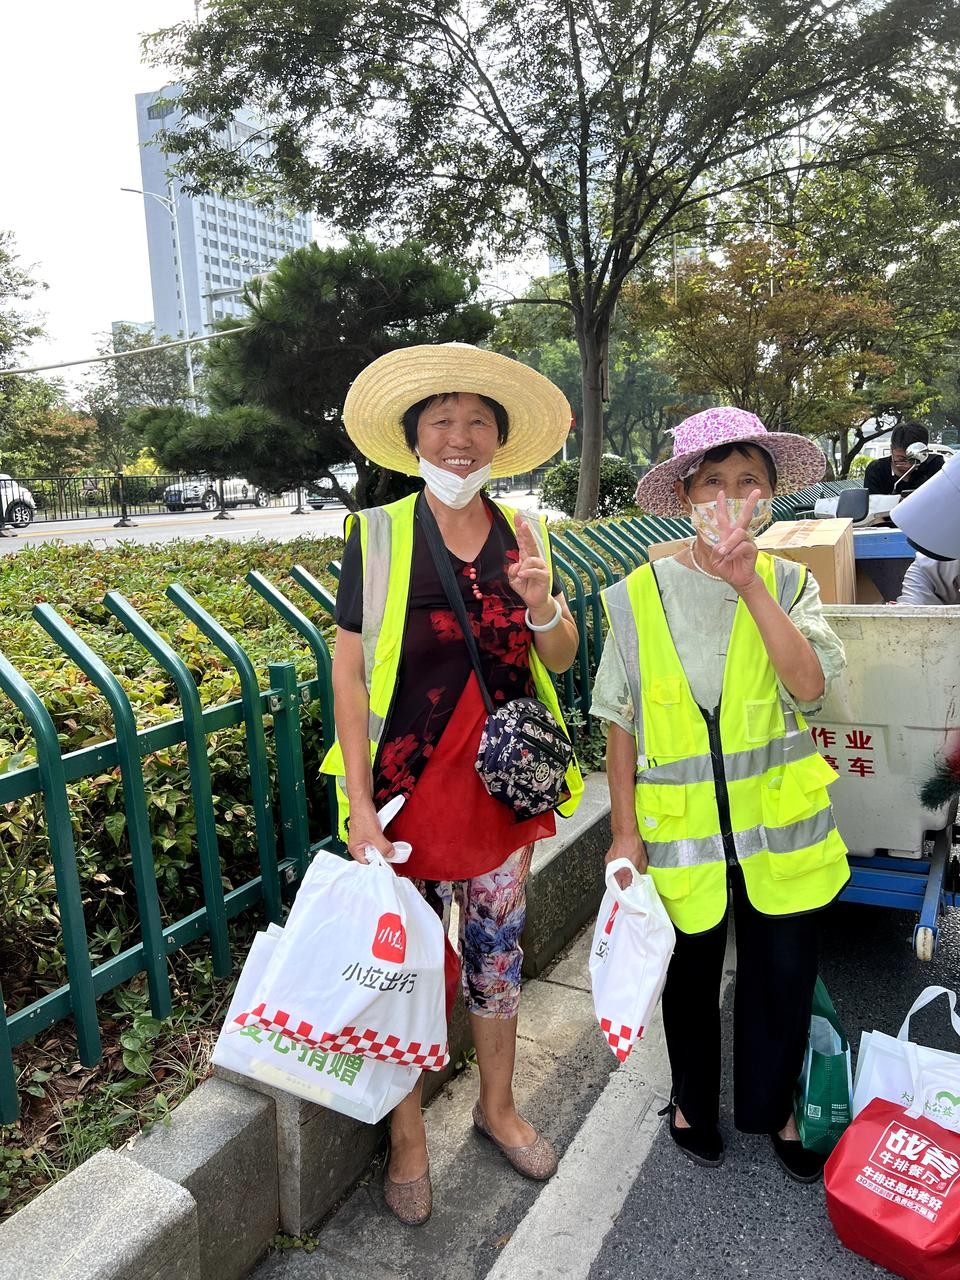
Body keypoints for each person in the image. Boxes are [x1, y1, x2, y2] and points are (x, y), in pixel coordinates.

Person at [321, 343, 583, 1225]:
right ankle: (406, 1139)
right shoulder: (380, 531)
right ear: (414, 437)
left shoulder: (526, 533)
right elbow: (349, 672)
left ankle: (496, 1108)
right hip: (404, 794)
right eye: (443, 420)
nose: (461, 437)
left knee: (497, 960)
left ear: (501, 440)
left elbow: (559, 654)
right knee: (400, 970)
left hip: (502, 792)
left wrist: (543, 603)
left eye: (478, 421)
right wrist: (358, 803)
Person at [591, 407, 849, 1183]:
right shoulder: (636, 596)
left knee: (783, 975)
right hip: (683, 830)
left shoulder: (791, 581)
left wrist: (753, 590)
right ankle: (691, 1102)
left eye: (749, 483)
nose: (731, 499)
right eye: (714, 483)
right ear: (688, 496)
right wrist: (624, 831)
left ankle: (775, 1106)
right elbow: (619, 720)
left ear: (770, 497)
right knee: (691, 976)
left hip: (780, 826)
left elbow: (812, 691)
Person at [863, 421, 944, 498]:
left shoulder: (934, 465)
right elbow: (873, 505)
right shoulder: (877, 470)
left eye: (914, 460)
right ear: (891, 449)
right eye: (901, 459)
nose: (908, 465)